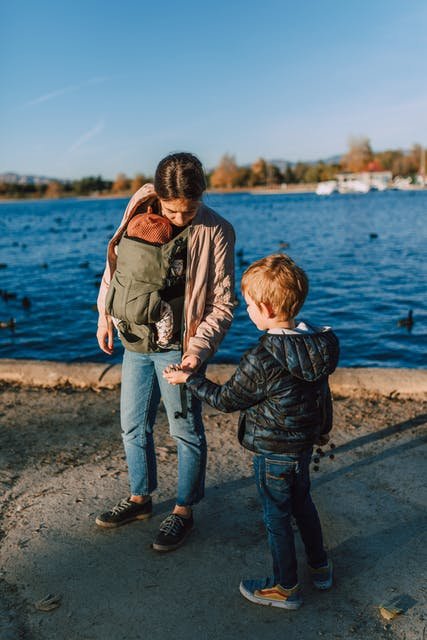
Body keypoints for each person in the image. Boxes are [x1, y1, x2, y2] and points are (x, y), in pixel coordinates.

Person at [164, 254, 339, 607]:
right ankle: (320, 568)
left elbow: (228, 400)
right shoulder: (322, 344)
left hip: (273, 450)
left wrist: (190, 379)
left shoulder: (263, 356)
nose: (247, 311)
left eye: (248, 306)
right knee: (303, 505)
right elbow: (322, 394)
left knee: (276, 518)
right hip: (303, 444)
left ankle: (284, 587)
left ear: (267, 307)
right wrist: (322, 428)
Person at [95, 152, 235, 552]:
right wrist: (104, 315)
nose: (179, 218)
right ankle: (140, 499)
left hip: (178, 348)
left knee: (184, 430)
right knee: (132, 425)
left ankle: (183, 511)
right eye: (172, 209)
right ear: (158, 194)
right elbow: (116, 264)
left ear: (201, 196)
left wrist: (197, 352)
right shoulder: (141, 201)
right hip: (134, 339)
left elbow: (223, 304)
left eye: (188, 211)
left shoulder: (217, 231)